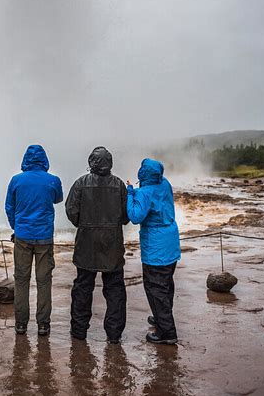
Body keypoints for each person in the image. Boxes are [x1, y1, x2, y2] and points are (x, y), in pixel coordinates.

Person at [65, 146, 129, 344]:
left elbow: (71, 211)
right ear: (109, 163)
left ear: (91, 162)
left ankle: (79, 331)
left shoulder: (80, 183)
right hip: (112, 243)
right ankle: (114, 334)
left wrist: (85, 225)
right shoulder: (119, 185)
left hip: (86, 243)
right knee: (115, 289)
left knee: (83, 287)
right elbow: (127, 217)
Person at [5, 144, 63, 337]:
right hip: (45, 237)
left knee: (21, 280)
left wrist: (16, 226)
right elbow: (57, 199)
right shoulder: (53, 181)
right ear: (44, 160)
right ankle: (43, 325)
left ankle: (21, 324)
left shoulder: (16, 181)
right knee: (44, 281)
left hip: (22, 236)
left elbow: (9, 207)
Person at [126, 158, 181, 345]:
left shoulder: (145, 192)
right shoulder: (164, 183)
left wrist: (130, 193)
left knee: (155, 288)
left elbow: (135, 216)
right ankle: (161, 318)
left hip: (156, 248)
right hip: (171, 242)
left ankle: (167, 332)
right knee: (166, 285)